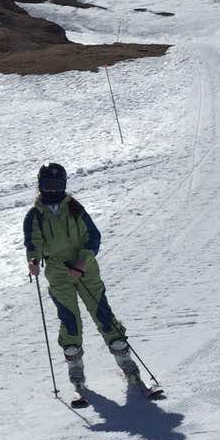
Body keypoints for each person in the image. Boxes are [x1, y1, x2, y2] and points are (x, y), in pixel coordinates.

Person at [23, 162, 145, 392]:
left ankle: (125, 361)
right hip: (58, 272)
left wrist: (81, 263)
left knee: (102, 314)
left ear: (63, 185)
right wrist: (33, 261)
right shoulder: (34, 215)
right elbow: (33, 242)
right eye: (47, 185)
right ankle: (75, 368)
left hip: (85, 268)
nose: (52, 190)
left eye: (56, 185)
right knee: (70, 319)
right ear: (40, 186)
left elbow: (93, 237)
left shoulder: (75, 208)